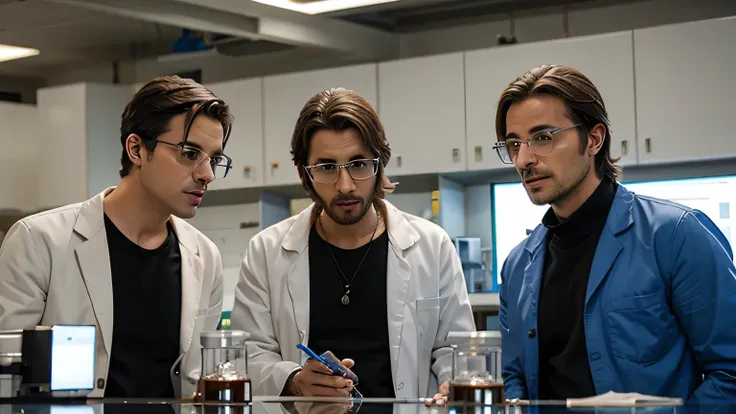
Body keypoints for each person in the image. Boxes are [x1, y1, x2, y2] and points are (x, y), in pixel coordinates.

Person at [494, 64, 736, 404]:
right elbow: (515, 375)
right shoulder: (517, 265)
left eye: (543, 138)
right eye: (514, 143)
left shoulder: (676, 235)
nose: (524, 159)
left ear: (593, 139)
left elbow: (730, 372)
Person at [230, 87, 475, 401]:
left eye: (358, 164)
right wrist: (293, 380)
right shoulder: (266, 252)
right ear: (305, 173)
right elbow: (249, 355)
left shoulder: (431, 245)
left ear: (379, 165)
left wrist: (453, 381)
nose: (344, 185)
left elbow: (455, 348)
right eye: (327, 167)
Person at [0, 75, 234, 399]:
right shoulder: (38, 242)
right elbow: (6, 379)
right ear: (137, 149)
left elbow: (197, 380)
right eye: (190, 153)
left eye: (214, 159)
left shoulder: (205, 257)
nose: (206, 174)